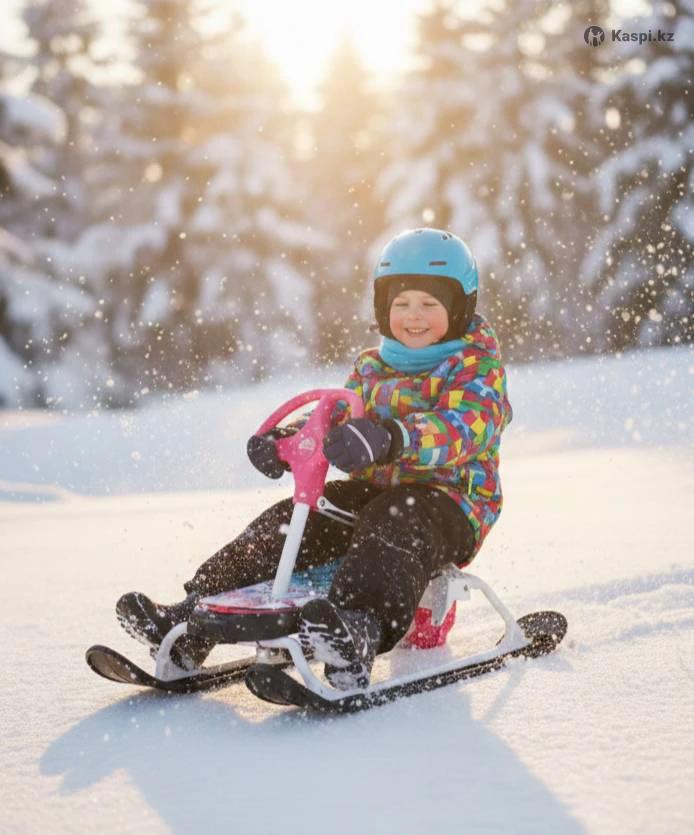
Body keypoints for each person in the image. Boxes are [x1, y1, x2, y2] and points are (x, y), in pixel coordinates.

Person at [117, 228, 513, 689]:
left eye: (429, 303)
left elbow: (465, 427)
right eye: (401, 303)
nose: (413, 315)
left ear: (460, 307)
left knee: (393, 519)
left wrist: (393, 436)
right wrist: (290, 439)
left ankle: (358, 626)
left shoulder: (475, 365)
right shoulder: (372, 366)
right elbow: (336, 416)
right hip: (374, 491)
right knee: (295, 519)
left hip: (452, 502)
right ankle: (194, 617)